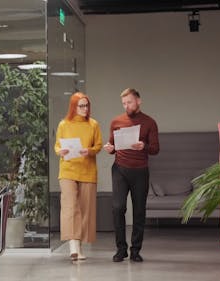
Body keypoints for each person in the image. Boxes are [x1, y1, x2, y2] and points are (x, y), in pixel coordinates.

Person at [103, 88, 159, 263]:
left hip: (140, 171)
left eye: (129, 102)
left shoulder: (149, 122)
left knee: (139, 211)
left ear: (138, 101)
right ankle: (121, 249)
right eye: (124, 103)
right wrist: (110, 149)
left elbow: (156, 149)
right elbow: (112, 145)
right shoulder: (116, 121)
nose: (127, 106)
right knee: (118, 208)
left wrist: (144, 146)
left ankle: (135, 250)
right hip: (120, 169)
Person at [54, 92, 102, 261]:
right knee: (70, 206)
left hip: (87, 170)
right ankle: (73, 246)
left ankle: (79, 246)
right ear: (73, 106)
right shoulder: (63, 124)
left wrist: (89, 151)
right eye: (81, 105)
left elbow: (98, 145)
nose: (85, 108)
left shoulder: (93, 124)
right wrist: (61, 151)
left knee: (85, 209)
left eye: (87, 105)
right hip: (68, 169)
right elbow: (57, 146)